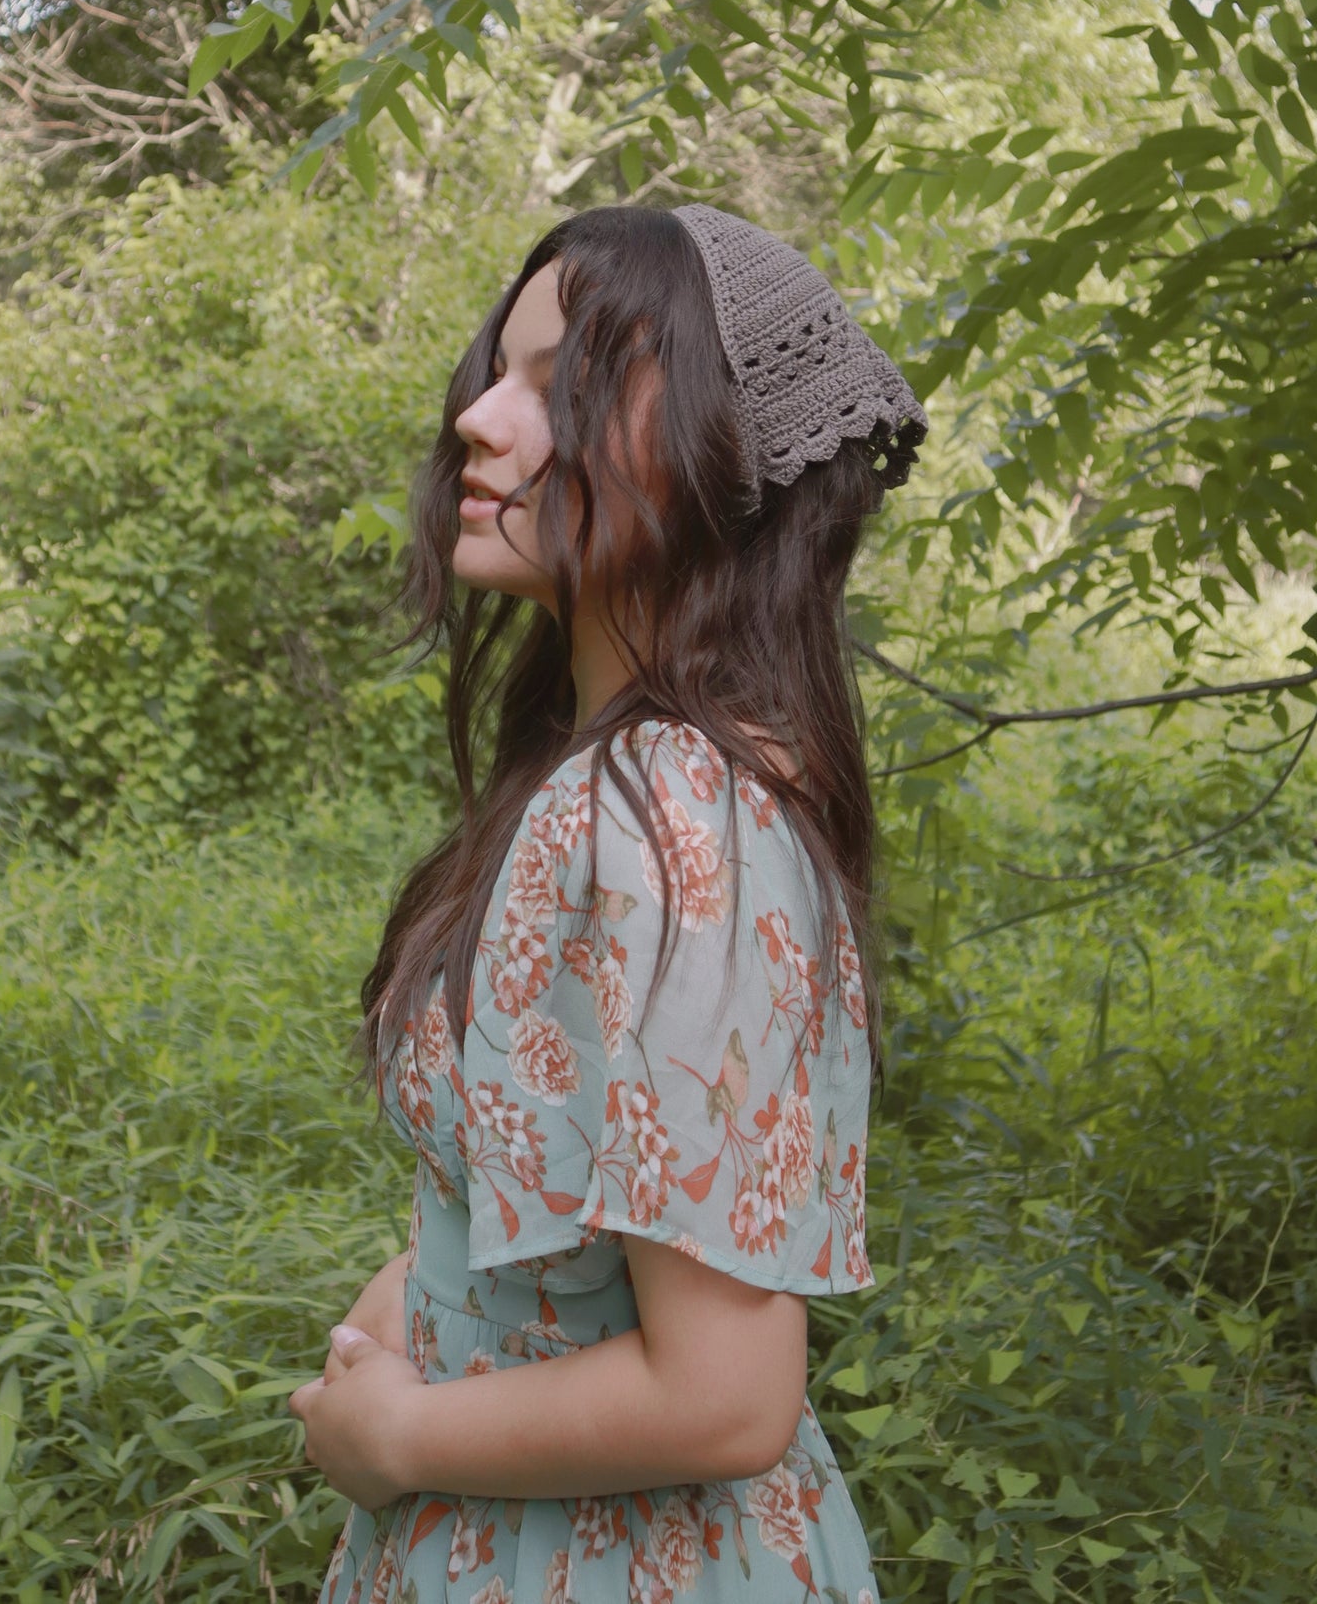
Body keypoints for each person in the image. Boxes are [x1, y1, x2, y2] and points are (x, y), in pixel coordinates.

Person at [289, 201, 929, 1603]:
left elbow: (722, 1395)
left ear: (711, 454)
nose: (478, 419)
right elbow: (560, 1199)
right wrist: (419, 1296)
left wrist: (400, 1427)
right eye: (495, 371)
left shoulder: (666, 810)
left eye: (557, 384)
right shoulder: (610, 780)